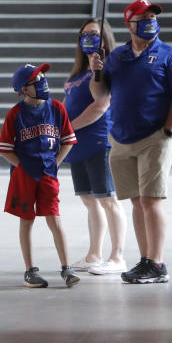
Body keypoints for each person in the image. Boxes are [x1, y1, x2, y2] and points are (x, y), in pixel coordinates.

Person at [89, 0, 172, 284]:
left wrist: (169, 130)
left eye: (153, 16)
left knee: (151, 200)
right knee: (136, 201)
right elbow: (100, 95)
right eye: (143, 17)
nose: (150, 21)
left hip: (155, 137)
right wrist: (95, 69)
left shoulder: (169, 55)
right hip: (121, 138)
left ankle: (157, 263)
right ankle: (146, 260)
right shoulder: (117, 57)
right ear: (129, 23)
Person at [0, 63, 81, 289]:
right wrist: (22, 166)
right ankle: (30, 270)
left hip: (47, 173)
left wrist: (56, 162)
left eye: (43, 77)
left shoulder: (56, 108)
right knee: (27, 220)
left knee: (54, 218)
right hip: (25, 176)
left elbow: (68, 141)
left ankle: (66, 267)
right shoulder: (16, 113)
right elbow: (5, 148)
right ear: (24, 89)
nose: (43, 82)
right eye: (36, 80)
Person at [63, 19, 128, 276]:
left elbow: (100, 106)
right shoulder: (79, 71)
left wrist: (70, 127)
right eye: (84, 34)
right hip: (77, 144)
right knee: (89, 199)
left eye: (94, 34)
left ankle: (117, 256)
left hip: (98, 141)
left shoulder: (106, 69)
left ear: (105, 38)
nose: (88, 38)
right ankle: (94, 254)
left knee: (108, 198)